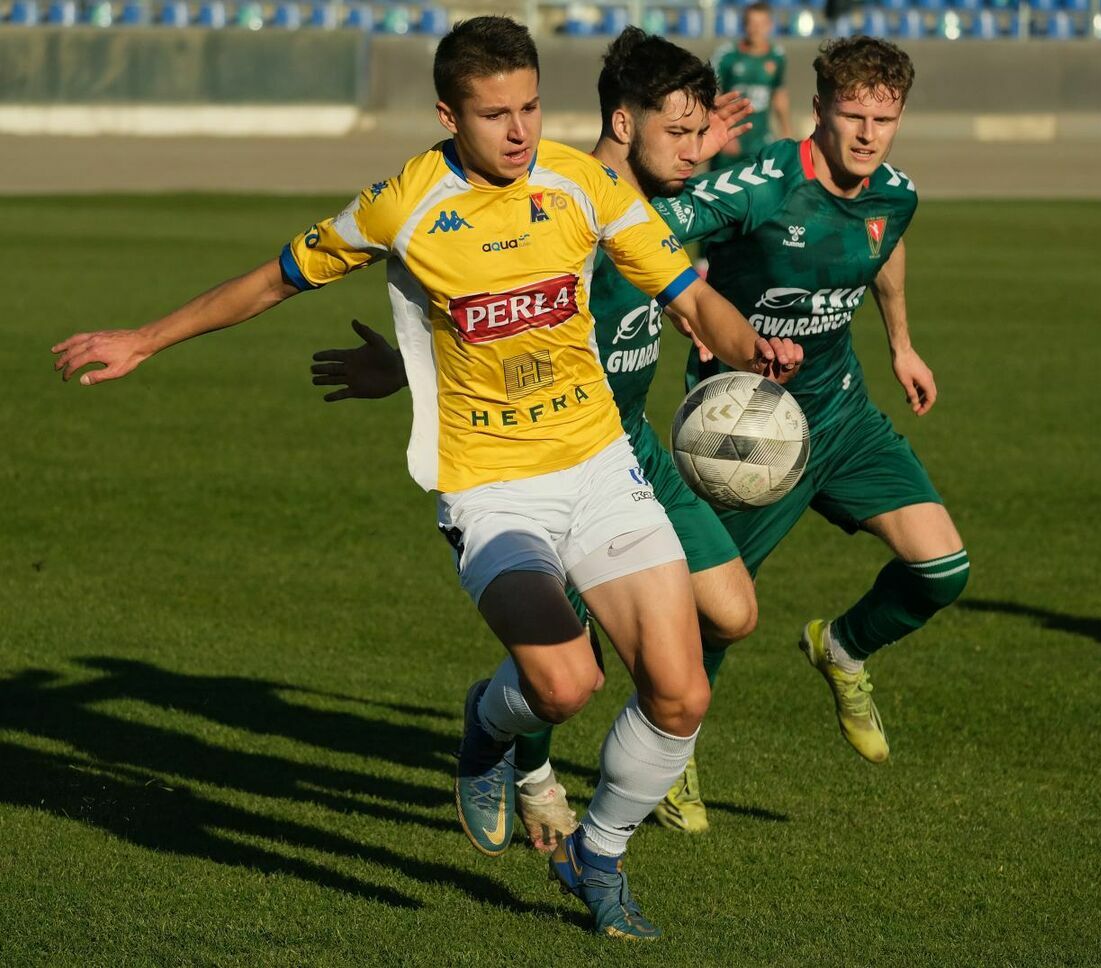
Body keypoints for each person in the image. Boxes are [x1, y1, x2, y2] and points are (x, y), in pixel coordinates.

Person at [51, 16, 801, 941]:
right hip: (492, 488)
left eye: (530, 106)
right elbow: (277, 280)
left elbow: (688, 294)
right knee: (564, 686)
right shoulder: (403, 204)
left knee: (682, 693)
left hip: (600, 465)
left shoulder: (584, 185)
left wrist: (749, 350)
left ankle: (597, 858)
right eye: (496, 115)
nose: (520, 131)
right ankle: (487, 733)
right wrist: (145, 337)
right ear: (449, 114)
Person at [309, 28, 765, 842]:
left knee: (727, 617)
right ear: (625, 125)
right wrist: (413, 369)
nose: (698, 151)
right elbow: (498, 332)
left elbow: (672, 283)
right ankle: (533, 763)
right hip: (512, 468)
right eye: (680, 132)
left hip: (620, 452)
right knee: (564, 674)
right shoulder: (558, 208)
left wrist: (748, 347)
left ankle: (657, 748)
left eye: (704, 136)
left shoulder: (629, 209)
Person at [655, 36, 970, 774]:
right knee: (717, 617)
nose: (867, 134)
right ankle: (670, 760)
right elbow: (646, 234)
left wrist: (901, 345)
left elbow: (884, 244)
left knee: (942, 570)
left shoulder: (895, 193)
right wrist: (688, 307)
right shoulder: (760, 187)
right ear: (820, 109)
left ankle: (843, 648)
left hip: (841, 411)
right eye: (852, 115)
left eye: (883, 119)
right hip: (746, 424)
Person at [713, 2, 792, 166]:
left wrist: (786, 132)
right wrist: (722, 131)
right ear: (744, 25)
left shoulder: (777, 57)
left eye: (761, 24)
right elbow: (714, 97)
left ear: (770, 25)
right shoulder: (727, 55)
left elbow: (779, 96)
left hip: (760, 142)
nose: (756, 29)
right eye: (751, 23)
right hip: (729, 140)